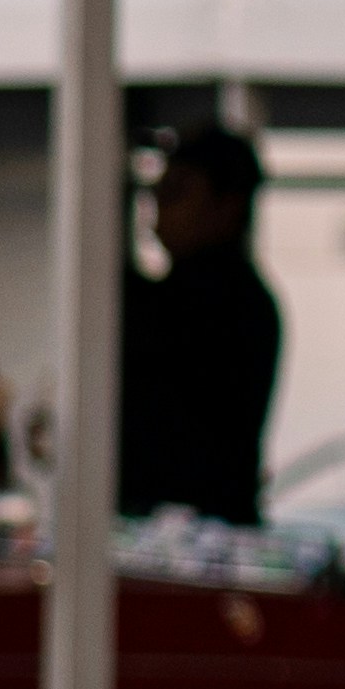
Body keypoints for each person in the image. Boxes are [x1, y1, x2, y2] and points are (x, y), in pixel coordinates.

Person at [122, 123, 282, 523]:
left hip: (190, 542)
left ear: (227, 205)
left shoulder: (225, 303)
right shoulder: (230, 297)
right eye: (157, 191)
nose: (158, 205)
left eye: (176, 191)